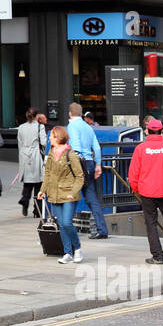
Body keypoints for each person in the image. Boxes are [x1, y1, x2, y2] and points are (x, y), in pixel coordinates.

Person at [128, 119, 163, 265]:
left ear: (148, 131)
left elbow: (133, 173)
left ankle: (157, 256)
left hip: (147, 191)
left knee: (151, 223)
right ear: (161, 131)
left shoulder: (141, 149)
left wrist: (135, 189)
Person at [37, 125, 86, 265]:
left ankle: (77, 248)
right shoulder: (51, 152)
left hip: (68, 193)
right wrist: (43, 190)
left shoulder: (70, 154)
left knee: (66, 222)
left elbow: (80, 176)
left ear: (58, 137)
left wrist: (73, 192)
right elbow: (47, 173)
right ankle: (67, 253)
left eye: (51, 136)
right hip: (54, 194)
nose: (49, 138)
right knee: (61, 225)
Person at [66, 102, 109, 240]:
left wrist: (74, 165)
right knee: (91, 198)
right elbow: (96, 147)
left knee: (71, 196)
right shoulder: (87, 126)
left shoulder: (72, 126)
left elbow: (76, 148)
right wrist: (98, 165)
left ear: (70, 113)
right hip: (90, 163)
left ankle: (67, 226)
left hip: (78, 163)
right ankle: (102, 229)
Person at [16, 108, 47, 217]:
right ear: (36, 116)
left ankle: (25, 200)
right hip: (35, 155)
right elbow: (43, 142)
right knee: (38, 183)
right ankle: (37, 210)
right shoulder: (40, 127)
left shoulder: (21, 127)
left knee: (27, 182)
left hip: (24, 154)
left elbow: (19, 143)